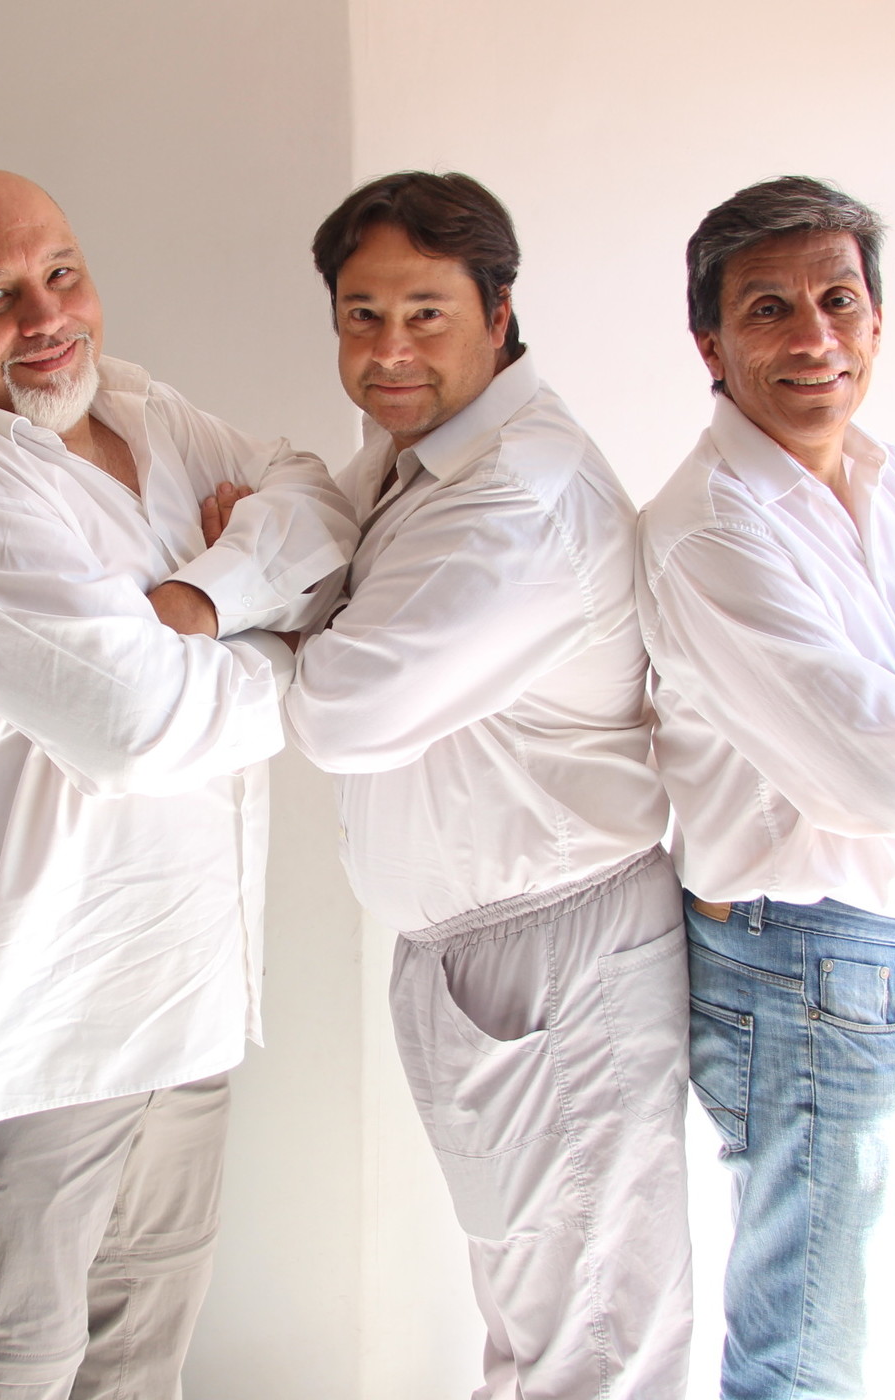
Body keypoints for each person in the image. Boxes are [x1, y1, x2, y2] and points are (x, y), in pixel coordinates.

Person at [0, 167, 356, 1400]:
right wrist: (299, 650)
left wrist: (201, 599)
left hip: (182, 1018)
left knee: (138, 1376)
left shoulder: (143, 409)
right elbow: (138, 726)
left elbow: (320, 507)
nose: (45, 317)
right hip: (25, 1048)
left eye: (60, 274)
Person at [283, 171, 692, 1399]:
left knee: (591, 1344)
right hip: (486, 952)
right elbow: (317, 585)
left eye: (425, 313)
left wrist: (266, 611)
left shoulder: (517, 492)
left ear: (497, 311)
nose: (387, 350)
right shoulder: (415, 453)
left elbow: (340, 712)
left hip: (552, 951)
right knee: (538, 1317)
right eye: (361, 315)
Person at [637, 175, 895, 1400]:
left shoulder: (884, 476)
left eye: (835, 300)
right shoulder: (711, 527)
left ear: (875, 318)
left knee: (838, 1295)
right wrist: (894, 707)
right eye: (766, 308)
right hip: (798, 954)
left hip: (867, 935)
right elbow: (883, 774)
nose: (812, 336)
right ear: (708, 344)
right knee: (803, 1335)